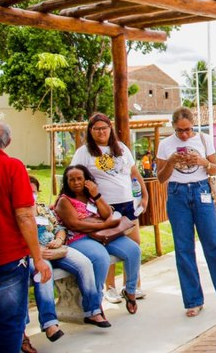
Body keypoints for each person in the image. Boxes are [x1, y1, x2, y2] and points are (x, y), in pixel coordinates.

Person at [156, 107, 216, 318]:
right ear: (173, 127)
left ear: (193, 125)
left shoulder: (204, 140)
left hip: (201, 191)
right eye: (179, 131)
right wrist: (171, 161)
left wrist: (203, 162)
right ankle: (193, 300)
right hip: (177, 194)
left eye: (188, 130)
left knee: (215, 245)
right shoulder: (165, 145)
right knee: (184, 248)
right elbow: (160, 178)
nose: (184, 135)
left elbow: (215, 169)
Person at [71, 112, 148, 303]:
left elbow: (134, 172)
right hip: (103, 206)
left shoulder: (120, 148)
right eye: (96, 129)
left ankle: (132, 285)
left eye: (104, 128)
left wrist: (145, 196)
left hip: (127, 203)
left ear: (110, 129)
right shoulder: (84, 152)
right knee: (108, 244)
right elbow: (74, 175)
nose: (101, 132)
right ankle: (110, 287)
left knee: (134, 243)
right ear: (90, 131)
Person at [26, 176, 110, 345]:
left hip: (57, 248)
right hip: (36, 254)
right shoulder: (18, 213)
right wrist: (37, 251)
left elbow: (59, 227)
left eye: (33, 192)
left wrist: (59, 239)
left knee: (84, 264)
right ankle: (50, 323)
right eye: (27, 191)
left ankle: (92, 310)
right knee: (43, 275)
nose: (31, 195)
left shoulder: (42, 209)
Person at [55, 164, 142, 314]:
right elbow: (75, 225)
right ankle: (97, 301)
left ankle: (130, 290)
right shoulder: (65, 201)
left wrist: (96, 195)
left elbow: (107, 213)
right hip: (80, 238)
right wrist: (103, 224)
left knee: (133, 250)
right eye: (71, 180)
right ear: (66, 182)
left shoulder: (91, 196)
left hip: (104, 234)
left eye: (79, 179)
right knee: (101, 257)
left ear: (86, 180)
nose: (76, 182)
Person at [0, 122, 51, 352]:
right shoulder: (11, 167)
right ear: (8, 142)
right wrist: (38, 258)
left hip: (8, 256)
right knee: (10, 323)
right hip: (8, 257)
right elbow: (25, 216)